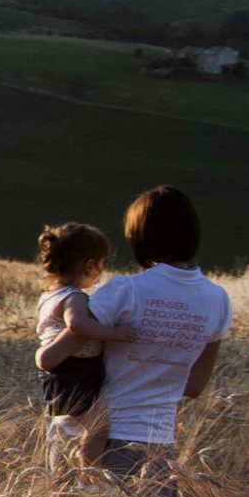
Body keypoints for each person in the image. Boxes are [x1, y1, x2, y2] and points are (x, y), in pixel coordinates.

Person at [85, 187, 230, 478]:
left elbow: (73, 357)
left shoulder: (124, 291)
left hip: (101, 438)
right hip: (161, 448)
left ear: (140, 238)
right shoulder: (218, 299)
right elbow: (194, 386)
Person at [32, 222, 135, 466]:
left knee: (68, 427)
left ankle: (66, 474)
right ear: (91, 265)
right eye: (101, 263)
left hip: (61, 374)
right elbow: (77, 324)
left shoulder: (49, 296)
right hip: (76, 373)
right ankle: (88, 474)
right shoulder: (75, 297)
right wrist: (114, 333)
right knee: (98, 427)